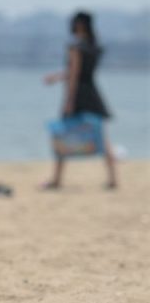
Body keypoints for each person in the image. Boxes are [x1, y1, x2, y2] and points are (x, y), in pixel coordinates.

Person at [42, 11, 118, 189]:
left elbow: (75, 74)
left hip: (78, 96)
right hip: (93, 92)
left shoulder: (75, 46)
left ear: (78, 25)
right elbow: (81, 72)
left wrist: (69, 100)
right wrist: (58, 77)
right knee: (102, 137)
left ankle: (57, 179)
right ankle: (113, 178)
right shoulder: (93, 47)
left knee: (62, 135)